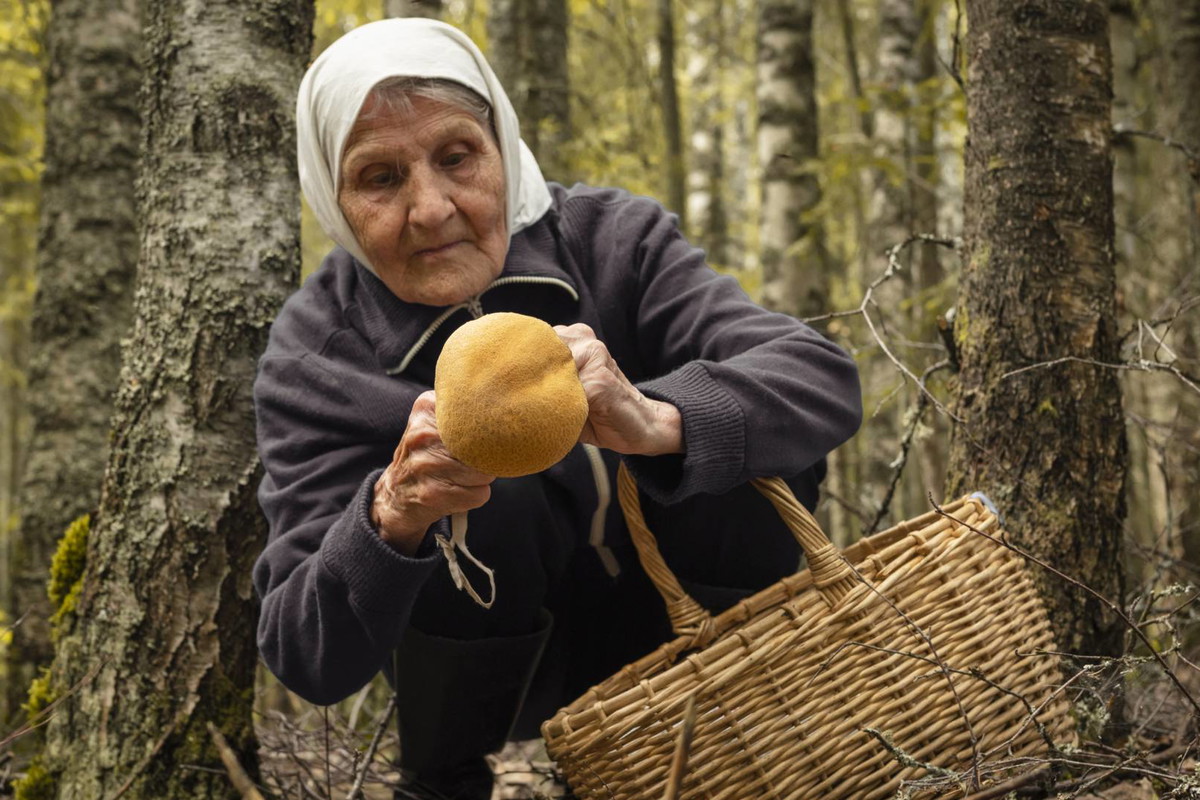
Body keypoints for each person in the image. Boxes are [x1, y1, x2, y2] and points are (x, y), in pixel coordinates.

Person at [253, 17, 862, 800]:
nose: (431, 209)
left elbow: (819, 378)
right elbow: (305, 655)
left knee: (736, 432)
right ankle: (444, 781)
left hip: (700, 641)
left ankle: (734, 728)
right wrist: (391, 512)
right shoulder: (317, 352)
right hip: (500, 682)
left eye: (456, 157)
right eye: (380, 178)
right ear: (333, 203)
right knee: (482, 484)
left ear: (501, 149)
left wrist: (658, 421)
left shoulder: (613, 243)